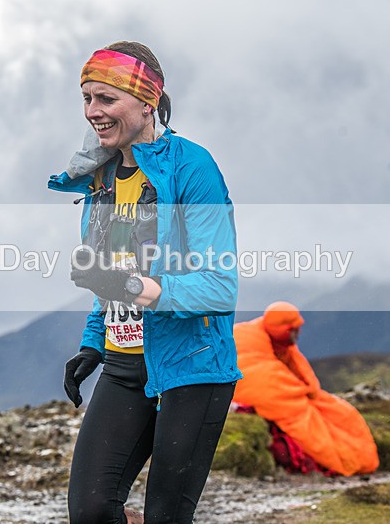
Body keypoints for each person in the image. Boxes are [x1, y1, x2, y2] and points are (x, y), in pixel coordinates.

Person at [48, 41, 243, 523]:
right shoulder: (100, 178)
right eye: (87, 99)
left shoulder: (191, 168)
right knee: (91, 510)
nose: (93, 111)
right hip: (123, 366)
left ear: (147, 101)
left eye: (106, 99)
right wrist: (94, 343)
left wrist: (139, 289)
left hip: (191, 369)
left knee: (165, 517)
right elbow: (107, 278)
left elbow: (219, 286)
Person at [233, 301, 379, 476]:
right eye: (293, 330)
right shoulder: (247, 339)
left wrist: (309, 392)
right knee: (309, 423)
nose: (298, 334)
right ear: (283, 330)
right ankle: (344, 459)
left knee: (342, 413)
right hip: (258, 391)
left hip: (284, 390)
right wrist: (299, 392)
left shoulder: (276, 339)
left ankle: (358, 456)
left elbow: (300, 372)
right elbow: (260, 377)